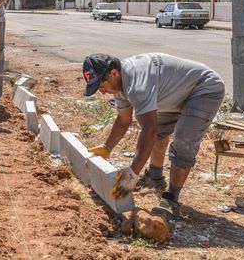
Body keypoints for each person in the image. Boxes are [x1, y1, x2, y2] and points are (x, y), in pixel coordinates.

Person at [82, 53, 224, 220]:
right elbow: (124, 118)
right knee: (159, 134)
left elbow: (148, 130)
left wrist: (131, 175)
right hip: (176, 94)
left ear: (114, 73)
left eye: (101, 86)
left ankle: (171, 197)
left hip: (204, 89)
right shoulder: (119, 85)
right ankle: (155, 176)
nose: (102, 92)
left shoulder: (137, 84)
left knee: (183, 140)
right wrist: (107, 148)